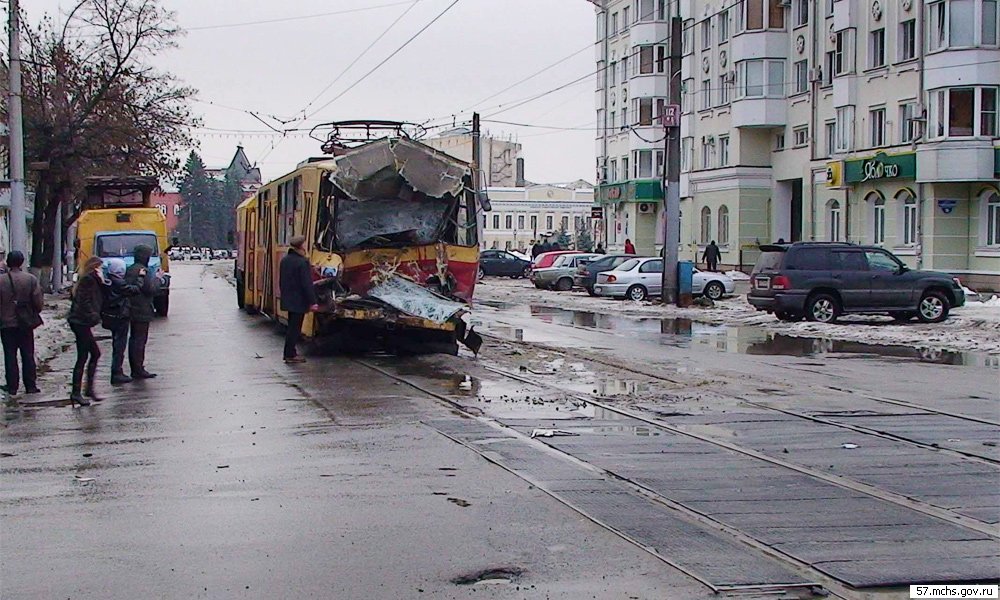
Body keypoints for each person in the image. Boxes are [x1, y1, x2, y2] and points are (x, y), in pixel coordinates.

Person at [0, 251, 43, 395]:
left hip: (6, 324)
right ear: (22, 262)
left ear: (8, 262)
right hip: (25, 323)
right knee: (27, 354)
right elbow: (38, 302)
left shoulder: (1, 280)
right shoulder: (30, 279)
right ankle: (30, 385)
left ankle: (12, 385)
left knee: (10, 355)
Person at [68, 257, 107, 406]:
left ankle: (86, 390)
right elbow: (84, 301)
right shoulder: (89, 280)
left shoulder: (90, 279)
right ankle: (77, 392)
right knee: (86, 355)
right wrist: (93, 316)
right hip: (80, 322)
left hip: (80, 322)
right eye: (101, 268)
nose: (102, 270)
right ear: (95, 267)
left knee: (91, 354)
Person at [279, 235, 318, 364]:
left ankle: (290, 352)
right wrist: (313, 301)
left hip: (289, 298)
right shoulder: (302, 262)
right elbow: (306, 284)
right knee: (295, 328)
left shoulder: (285, 260)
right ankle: (290, 354)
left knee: (292, 327)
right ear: (301, 246)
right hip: (299, 300)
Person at [125, 245, 161, 379]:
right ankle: (138, 369)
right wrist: (158, 279)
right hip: (142, 309)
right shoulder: (142, 271)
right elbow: (150, 289)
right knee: (140, 340)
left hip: (132, 308)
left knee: (134, 339)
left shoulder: (130, 269)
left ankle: (136, 367)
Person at [103, 258, 141, 384]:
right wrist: (140, 278)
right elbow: (134, 290)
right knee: (119, 344)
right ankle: (117, 372)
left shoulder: (107, 280)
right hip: (119, 316)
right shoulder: (118, 282)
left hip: (111, 315)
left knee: (117, 343)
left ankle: (117, 371)